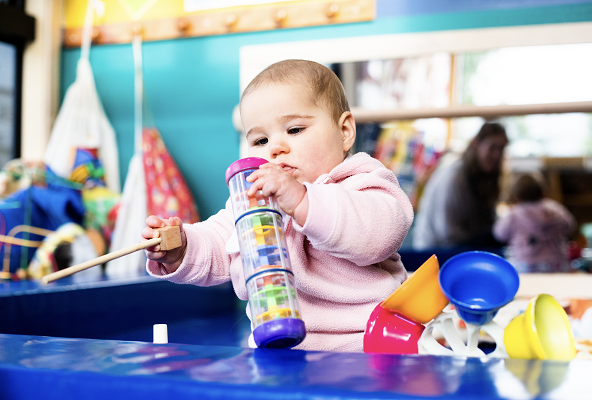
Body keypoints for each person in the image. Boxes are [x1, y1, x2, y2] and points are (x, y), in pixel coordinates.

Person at [141, 59, 414, 352]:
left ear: (345, 131)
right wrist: (181, 249)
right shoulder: (252, 200)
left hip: (365, 346)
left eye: (294, 130)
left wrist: (301, 200)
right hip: (277, 351)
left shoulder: (361, 181)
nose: (275, 148)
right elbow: (219, 242)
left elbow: (378, 232)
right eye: (260, 140)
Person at [412, 122, 508, 250]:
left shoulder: (484, 178)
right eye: (492, 147)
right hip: (435, 251)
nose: (497, 155)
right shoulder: (454, 177)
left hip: (459, 246)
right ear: (476, 143)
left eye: (501, 149)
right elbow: (447, 234)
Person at [493, 174, 575, 273]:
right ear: (544, 193)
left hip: (525, 266)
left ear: (516, 197)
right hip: (557, 265)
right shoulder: (555, 209)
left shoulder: (514, 214)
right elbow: (570, 226)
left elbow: (499, 234)